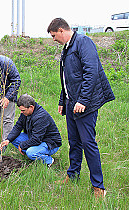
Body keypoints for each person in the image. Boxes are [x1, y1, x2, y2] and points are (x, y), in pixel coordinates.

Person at [47, 18, 115, 198]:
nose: (53, 39)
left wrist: (83, 100)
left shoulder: (83, 43)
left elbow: (91, 71)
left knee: (88, 143)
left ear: (61, 30)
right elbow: (66, 78)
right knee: (74, 142)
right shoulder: (67, 48)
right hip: (71, 104)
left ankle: (98, 187)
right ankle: (73, 175)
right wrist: (63, 100)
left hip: (85, 104)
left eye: (54, 35)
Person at [0, 94, 61, 167]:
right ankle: (35, 154)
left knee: (31, 152)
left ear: (31, 107)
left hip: (50, 143)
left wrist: (22, 145)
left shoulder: (41, 117)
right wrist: (8, 139)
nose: (21, 112)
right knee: (13, 137)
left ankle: (49, 160)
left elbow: (36, 140)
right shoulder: (26, 113)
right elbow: (18, 126)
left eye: (23, 110)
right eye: (21, 110)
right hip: (35, 137)